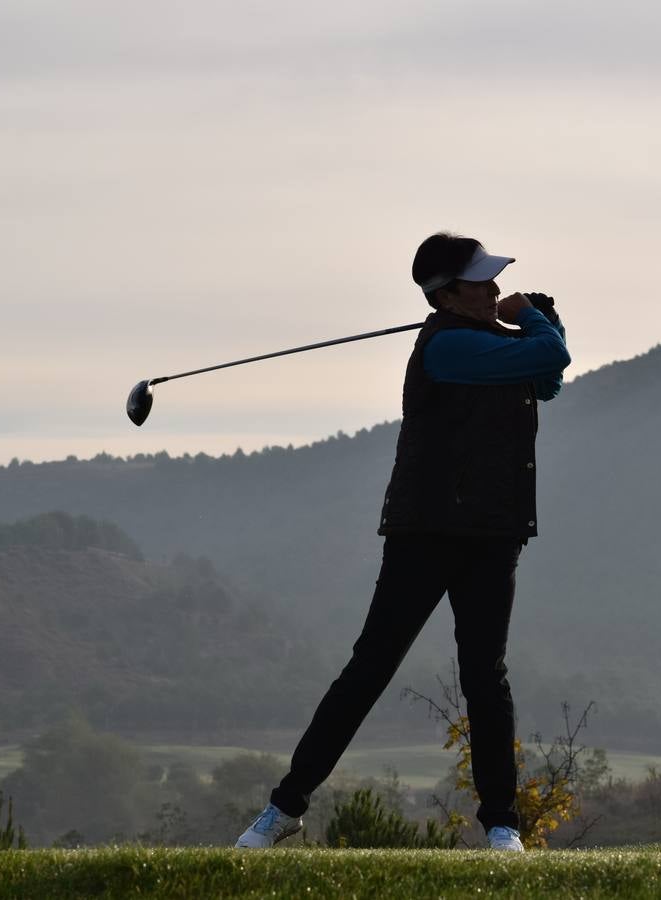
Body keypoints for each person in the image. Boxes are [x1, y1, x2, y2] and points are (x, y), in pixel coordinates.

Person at [236, 232, 571, 852]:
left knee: (484, 676)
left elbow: (547, 378)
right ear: (447, 295)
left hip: (492, 535)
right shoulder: (450, 347)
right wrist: (533, 317)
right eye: (481, 282)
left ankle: (501, 823)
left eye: (495, 280)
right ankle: (284, 808)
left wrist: (542, 321)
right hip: (427, 531)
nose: (496, 288)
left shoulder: (491, 342)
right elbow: (549, 360)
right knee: (370, 668)